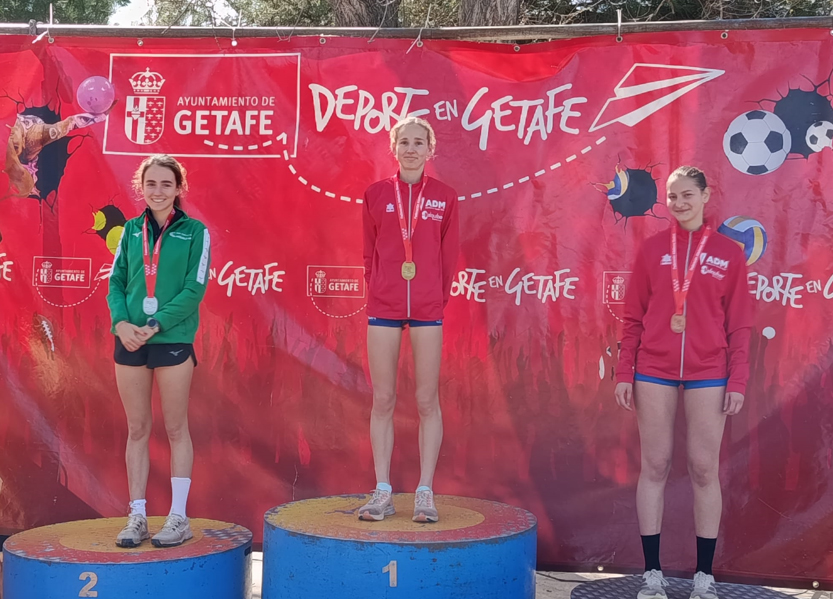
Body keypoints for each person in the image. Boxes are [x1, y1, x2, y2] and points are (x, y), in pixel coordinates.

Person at [615, 166, 753, 599]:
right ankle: (652, 574)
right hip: (652, 368)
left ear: (706, 196)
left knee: (702, 469)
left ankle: (704, 577)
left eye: (687, 194)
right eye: (672, 196)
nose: (678, 203)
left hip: (708, 373)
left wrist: (738, 381)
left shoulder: (729, 254)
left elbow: (741, 326)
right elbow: (632, 316)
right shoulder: (652, 249)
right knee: (654, 467)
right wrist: (624, 371)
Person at [358, 116, 460, 523]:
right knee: (382, 399)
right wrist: (380, 287)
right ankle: (382, 489)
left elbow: (448, 257)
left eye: (420, 142)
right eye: (405, 142)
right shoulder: (376, 193)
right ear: (393, 147)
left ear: (431, 150)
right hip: (383, 306)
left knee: (425, 400)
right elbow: (369, 254)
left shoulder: (445, 196)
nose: (412, 149)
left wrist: (433, 296)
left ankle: (424, 491)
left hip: (427, 310)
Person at [107, 154, 211, 548]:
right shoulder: (131, 232)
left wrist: (153, 325)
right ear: (141, 187)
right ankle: (137, 516)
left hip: (171, 340)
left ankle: (178, 517)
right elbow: (115, 283)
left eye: (167, 184)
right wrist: (122, 324)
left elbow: (194, 289)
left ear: (179, 189)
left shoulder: (196, 232)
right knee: (137, 429)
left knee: (175, 428)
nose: (158, 191)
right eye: (151, 183)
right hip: (129, 339)